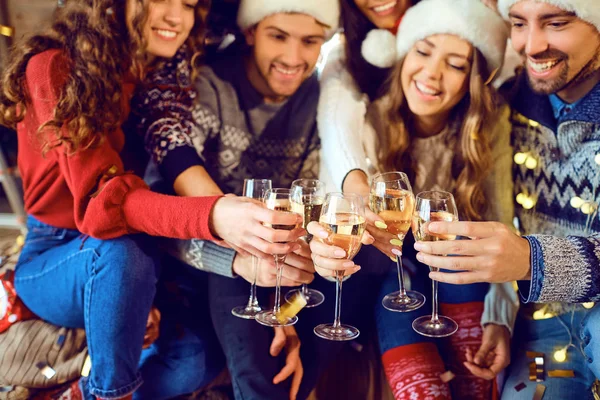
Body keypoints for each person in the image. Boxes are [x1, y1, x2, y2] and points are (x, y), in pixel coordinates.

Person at [0, 0, 305, 399]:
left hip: (146, 253)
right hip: (55, 254)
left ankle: (81, 385)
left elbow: (164, 205)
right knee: (119, 253)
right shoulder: (54, 67)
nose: (176, 17)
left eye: (189, 4)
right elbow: (102, 207)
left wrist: (273, 302)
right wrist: (214, 215)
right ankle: (107, 393)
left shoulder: (164, 84)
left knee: (199, 359)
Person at [135, 1, 388, 399]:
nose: (292, 57)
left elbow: (313, 213)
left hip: (281, 263)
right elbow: (164, 214)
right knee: (227, 330)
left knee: (363, 261)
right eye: (277, 36)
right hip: (210, 262)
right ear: (251, 31)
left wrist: (283, 308)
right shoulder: (207, 86)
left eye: (309, 41)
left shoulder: (318, 98)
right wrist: (242, 262)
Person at [310, 0, 519, 398]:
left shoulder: (487, 127)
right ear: (402, 56)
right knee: (396, 280)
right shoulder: (366, 119)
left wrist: (501, 318)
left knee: (458, 245)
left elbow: (503, 224)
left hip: (453, 268)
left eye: (456, 64)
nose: (431, 73)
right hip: (390, 269)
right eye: (422, 52)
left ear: (473, 79)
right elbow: (334, 189)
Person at [414, 0, 600, 396]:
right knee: (531, 389)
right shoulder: (505, 105)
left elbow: (524, 255)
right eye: (518, 23)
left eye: (556, 23)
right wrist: (499, 320)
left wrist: (535, 261)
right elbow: (499, 217)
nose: (530, 45)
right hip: (545, 332)